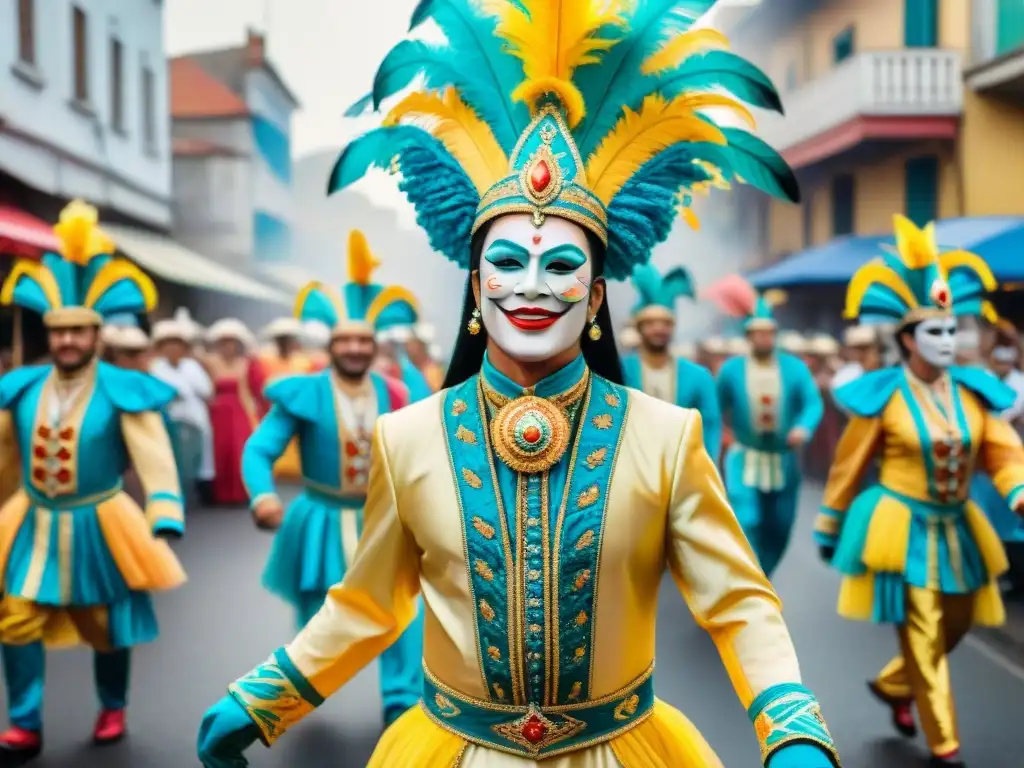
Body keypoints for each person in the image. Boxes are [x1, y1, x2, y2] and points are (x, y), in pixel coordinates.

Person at [197, 2, 839, 767]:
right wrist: (265, 698)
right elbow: (367, 604)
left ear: (597, 296)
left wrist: (790, 722)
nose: (530, 285)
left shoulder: (666, 440)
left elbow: (738, 602)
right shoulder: (408, 439)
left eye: (562, 265)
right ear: (476, 285)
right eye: (507, 263)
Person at [815, 215, 1024, 768]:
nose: (949, 341)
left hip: (957, 526)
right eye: (935, 331)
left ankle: (893, 684)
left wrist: (1019, 489)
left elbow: (1002, 450)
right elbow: (848, 463)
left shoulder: (975, 393)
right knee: (925, 629)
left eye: (954, 329)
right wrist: (830, 523)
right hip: (899, 527)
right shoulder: (882, 395)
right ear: (907, 339)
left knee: (958, 623)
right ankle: (944, 745)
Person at [0, 200, 185, 760]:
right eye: (59, 332)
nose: (68, 342)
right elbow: (6, 454)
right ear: (48, 334)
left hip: (102, 519)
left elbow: (153, 454)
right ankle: (25, 722)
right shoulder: (22, 386)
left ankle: (112, 705)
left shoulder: (123, 388)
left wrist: (164, 507)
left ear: (97, 334)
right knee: (14, 617)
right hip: (31, 518)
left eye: (79, 331)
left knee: (106, 625)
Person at [245, 230, 426, 727]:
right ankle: (303, 691)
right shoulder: (302, 392)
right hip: (319, 517)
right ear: (330, 344)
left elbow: (424, 453)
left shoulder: (397, 390)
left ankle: (401, 700)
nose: (353, 347)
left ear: (373, 345)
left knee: (402, 612)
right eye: (343, 340)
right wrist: (262, 496)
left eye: (362, 340)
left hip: (383, 521)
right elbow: (259, 449)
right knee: (316, 618)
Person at [714, 284, 824, 578]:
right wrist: (723, 434)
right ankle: (749, 583)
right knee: (747, 518)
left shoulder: (795, 368)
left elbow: (812, 403)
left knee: (779, 525)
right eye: (758, 333)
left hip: (783, 459)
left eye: (769, 333)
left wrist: (803, 428)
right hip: (744, 455)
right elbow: (714, 408)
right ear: (748, 337)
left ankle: (763, 575)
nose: (764, 338)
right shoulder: (731, 370)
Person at [621, 264, 721, 456]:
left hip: (681, 467)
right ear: (639, 327)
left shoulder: (698, 376)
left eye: (666, 323)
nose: (659, 329)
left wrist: (705, 470)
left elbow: (710, 424)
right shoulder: (619, 371)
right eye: (651, 323)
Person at [151, 318, 216, 505]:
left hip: (195, 419)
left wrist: (187, 389)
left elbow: (207, 391)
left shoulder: (192, 367)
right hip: (171, 420)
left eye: (177, 346)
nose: (173, 350)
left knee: (197, 459)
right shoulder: (157, 368)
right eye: (168, 346)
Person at [203, 319, 266, 506]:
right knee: (219, 451)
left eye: (231, 342)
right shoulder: (210, 362)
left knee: (240, 450)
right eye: (223, 342)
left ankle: (242, 492)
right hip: (217, 413)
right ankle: (219, 493)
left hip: (239, 411)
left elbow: (259, 388)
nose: (227, 347)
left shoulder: (246, 363)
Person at [258, 316, 316, 483]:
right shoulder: (264, 360)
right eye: (281, 339)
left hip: (299, 410)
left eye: (287, 339)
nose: (284, 343)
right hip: (274, 410)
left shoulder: (304, 362)